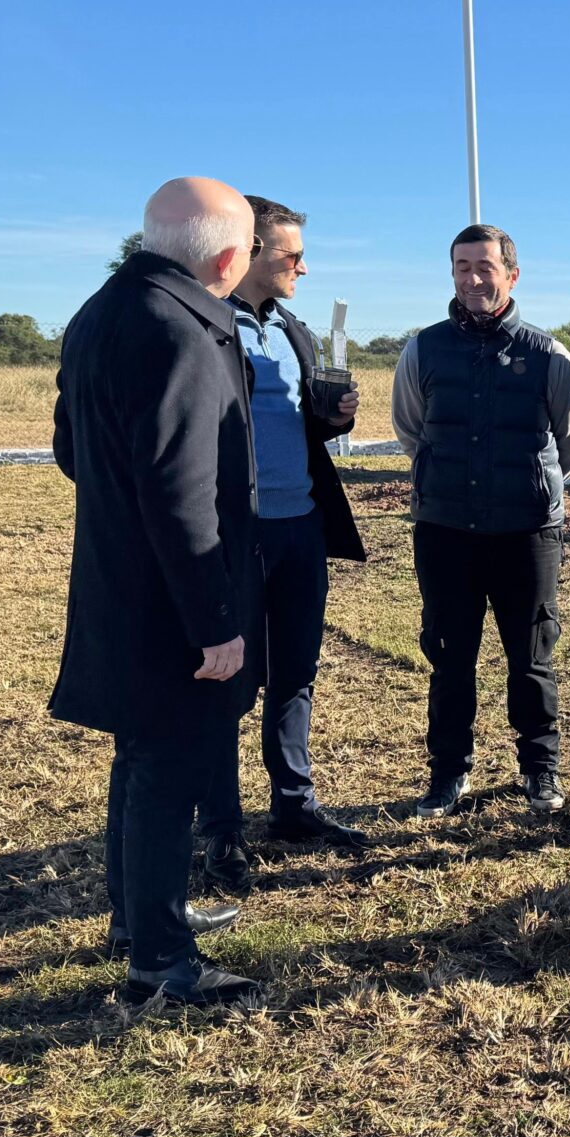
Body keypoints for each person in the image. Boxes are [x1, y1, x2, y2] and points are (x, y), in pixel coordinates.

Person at [51, 176, 265, 1008]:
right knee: (168, 767)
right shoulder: (182, 332)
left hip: (119, 578)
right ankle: (160, 962)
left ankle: (139, 917)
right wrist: (215, 621)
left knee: (140, 758)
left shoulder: (101, 312)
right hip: (172, 600)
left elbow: (74, 449)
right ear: (224, 255)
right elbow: (183, 494)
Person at [194, 196, 371, 892]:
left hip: (301, 526)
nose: (302, 264)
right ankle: (222, 829)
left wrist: (333, 418)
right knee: (228, 683)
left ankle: (294, 807)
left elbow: (293, 424)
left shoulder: (292, 327)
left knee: (295, 673)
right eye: (289, 254)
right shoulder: (207, 326)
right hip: (236, 532)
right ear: (248, 250)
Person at [392, 224, 570, 818]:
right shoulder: (422, 350)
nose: (473, 279)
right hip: (445, 529)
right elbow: (412, 430)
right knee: (450, 656)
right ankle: (447, 774)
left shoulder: (548, 355)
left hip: (527, 531)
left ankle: (539, 772)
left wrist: (531, 484)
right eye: (461, 268)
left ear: (511, 273)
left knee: (531, 655)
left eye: (485, 267)